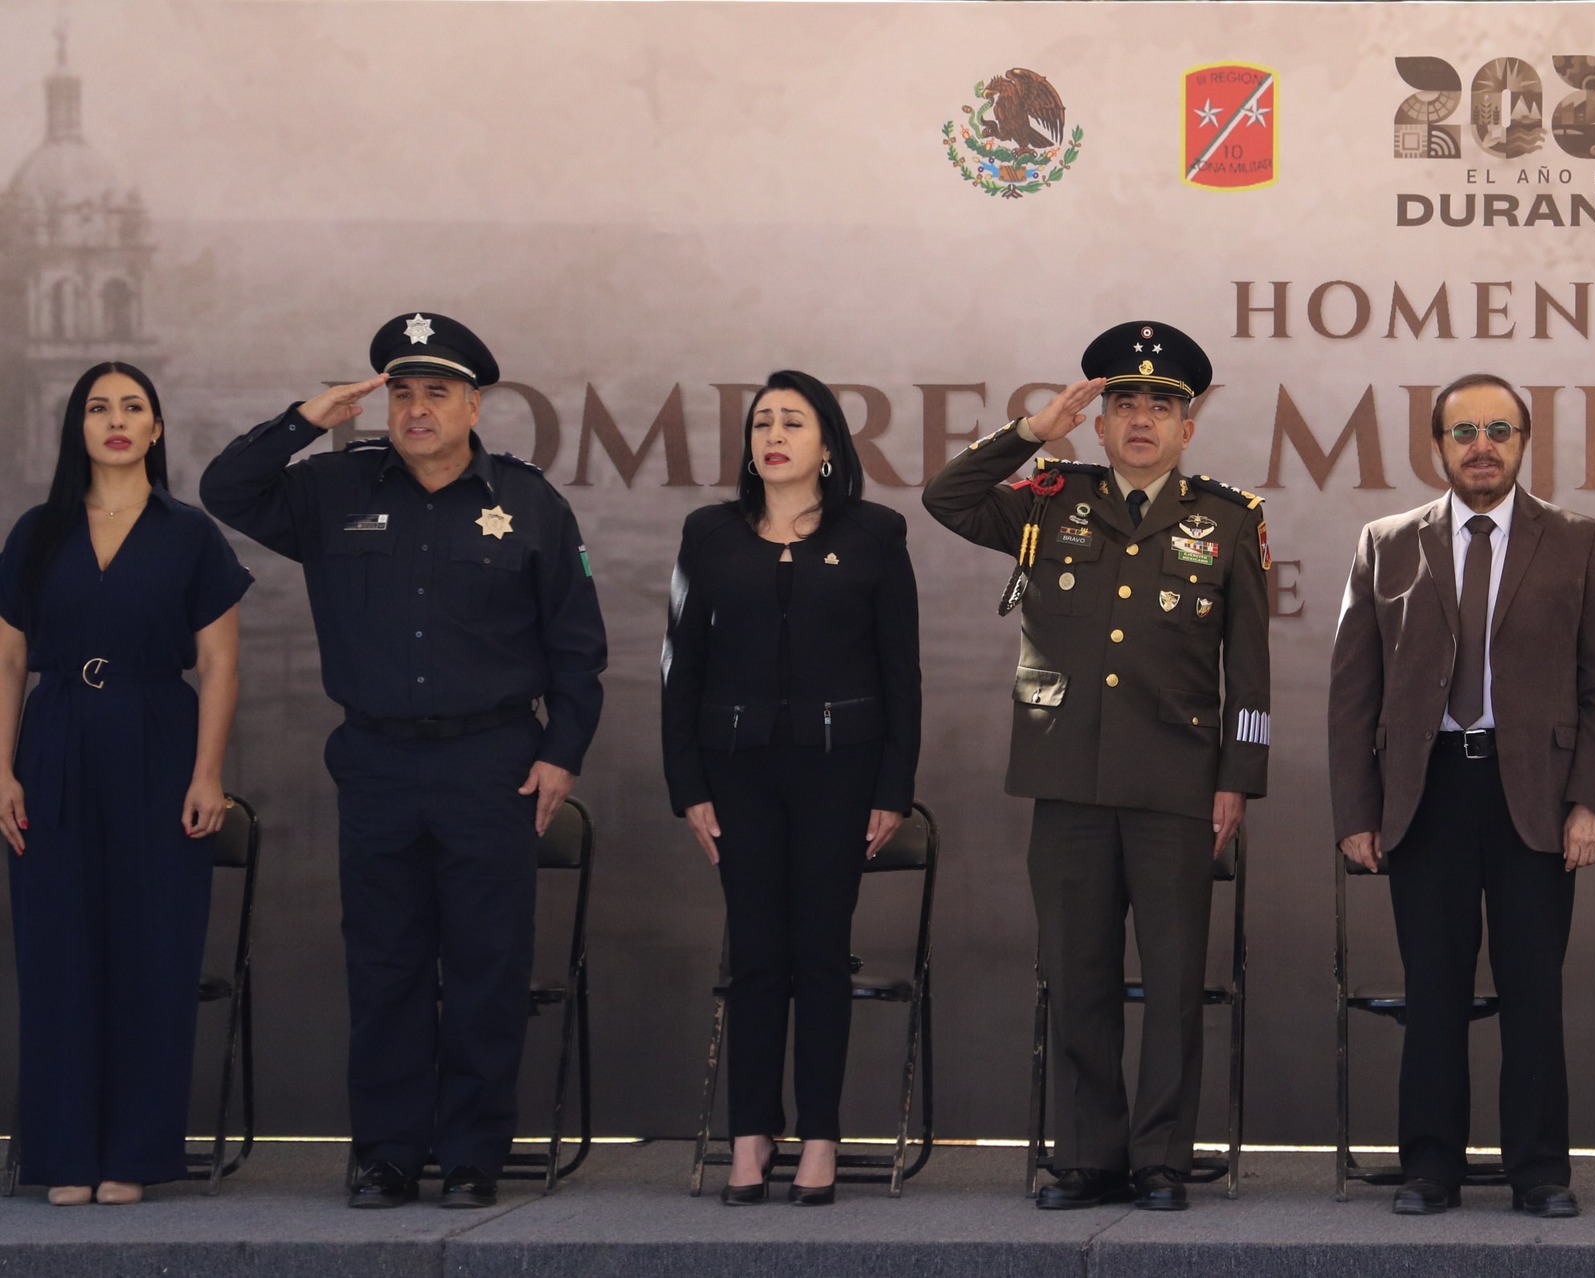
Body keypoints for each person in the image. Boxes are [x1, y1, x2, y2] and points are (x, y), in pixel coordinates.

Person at [199, 313, 607, 1209]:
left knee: (487, 967)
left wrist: (562, 755)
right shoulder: (332, 487)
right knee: (385, 966)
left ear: (474, 405)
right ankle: (386, 1154)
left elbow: (578, 646)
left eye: (437, 393)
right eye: (403, 393)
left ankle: (471, 1155)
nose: (418, 410)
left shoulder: (529, 501)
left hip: (494, 763)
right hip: (378, 761)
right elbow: (225, 488)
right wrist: (304, 421)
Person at [924, 321, 1270, 1211]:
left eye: (1160, 407)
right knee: (1077, 977)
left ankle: (1161, 1159)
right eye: (1124, 405)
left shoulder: (1228, 520)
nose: (1141, 420)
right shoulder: (1049, 499)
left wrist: (1237, 777)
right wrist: (1032, 432)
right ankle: (1086, 1156)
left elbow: (1250, 670)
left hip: (1178, 785)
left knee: (1174, 984)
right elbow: (945, 497)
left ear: (1187, 428)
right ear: (1102, 422)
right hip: (1069, 778)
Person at [1328, 373, 1595, 1219]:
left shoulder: (1576, 540)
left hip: (1536, 795)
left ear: (1523, 442)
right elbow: (1353, 689)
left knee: (1534, 989)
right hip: (1426, 792)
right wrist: (1357, 811)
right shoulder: (1387, 542)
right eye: (1464, 432)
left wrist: (1592, 801)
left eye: (1499, 430)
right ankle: (1430, 1169)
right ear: (1438, 446)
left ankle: (1540, 1173)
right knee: (1433, 989)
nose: (1482, 446)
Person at [661, 370, 921, 1207]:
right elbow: (678, 666)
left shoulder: (875, 532)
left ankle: (819, 1137)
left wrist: (893, 786)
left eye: (793, 422)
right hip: (736, 770)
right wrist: (686, 783)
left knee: (818, 952)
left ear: (829, 444)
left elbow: (901, 671)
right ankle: (749, 1135)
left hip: (840, 771)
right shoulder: (708, 534)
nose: (774, 436)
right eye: (762, 423)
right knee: (756, 955)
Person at [0, 363, 250, 1206]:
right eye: (98, 407)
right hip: (56, 736)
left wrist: (207, 773)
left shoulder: (191, 534)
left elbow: (219, 664)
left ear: (156, 428)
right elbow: (7, 661)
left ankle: (134, 1156)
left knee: (153, 948)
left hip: (158, 736)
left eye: (133, 407)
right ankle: (63, 1154)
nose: (116, 419)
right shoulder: (37, 531)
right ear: (78, 426)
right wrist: (0, 768)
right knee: (56, 950)